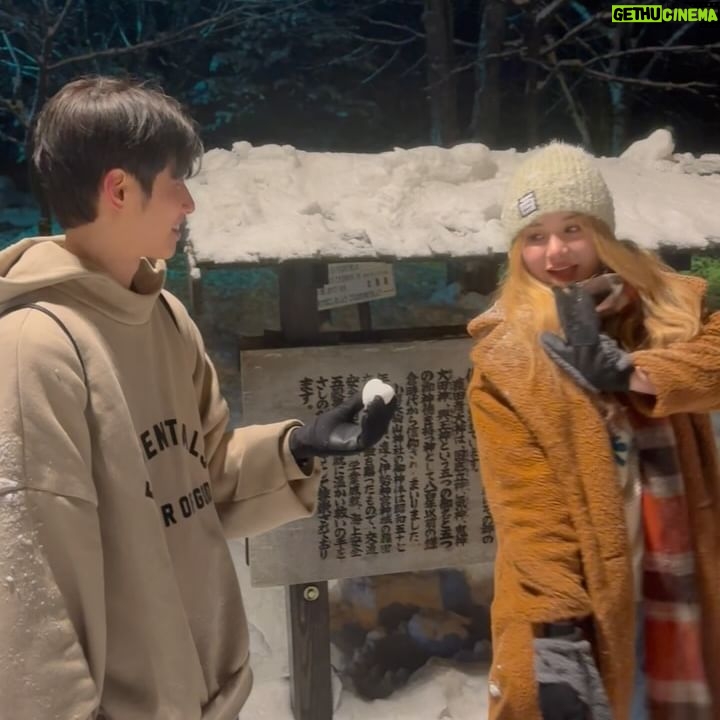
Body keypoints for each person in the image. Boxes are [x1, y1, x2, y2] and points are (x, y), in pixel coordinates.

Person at [0, 76, 396, 720]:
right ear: (119, 189)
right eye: (176, 181)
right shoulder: (34, 347)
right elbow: (29, 596)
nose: (188, 202)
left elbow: (197, 481)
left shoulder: (165, 317)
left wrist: (298, 445)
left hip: (212, 695)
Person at [466, 141, 719, 720]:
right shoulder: (509, 359)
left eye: (572, 228)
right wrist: (558, 636)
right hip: (592, 608)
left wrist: (633, 373)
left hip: (681, 584)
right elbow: (529, 514)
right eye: (535, 236)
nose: (555, 251)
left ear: (601, 232)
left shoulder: (668, 310)